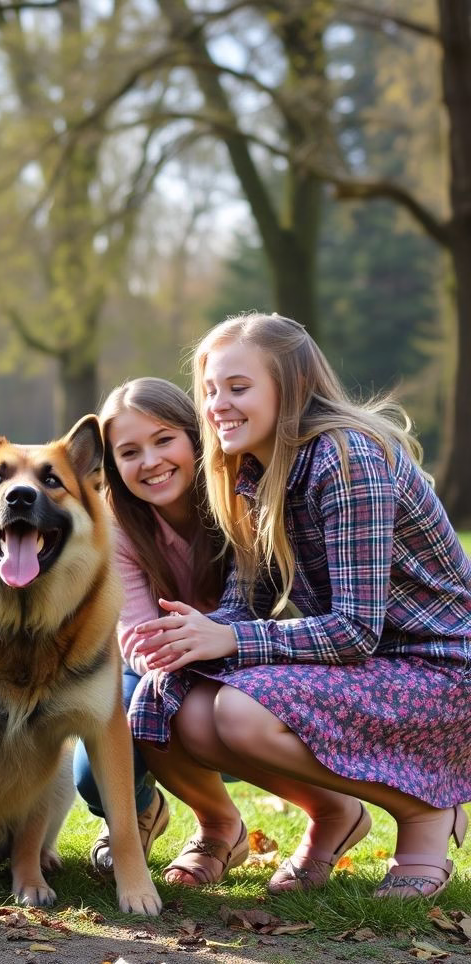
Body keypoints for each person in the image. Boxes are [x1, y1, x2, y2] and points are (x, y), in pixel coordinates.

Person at [130, 312, 471, 898]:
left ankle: (424, 812)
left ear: (291, 388)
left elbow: (356, 629)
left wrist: (231, 639)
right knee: (174, 702)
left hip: (442, 672)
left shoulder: (348, 459)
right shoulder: (254, 473)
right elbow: (246, 602)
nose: (217, 405)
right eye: (210, 390)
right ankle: (334, 813)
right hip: (371, 668)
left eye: (239, 387)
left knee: (239, 712)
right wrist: (195, 634)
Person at [73, 377, 231, 883]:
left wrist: (208, 643)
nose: (151, 461)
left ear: (195, 437)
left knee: (210, 719)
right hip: (156, 667)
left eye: (164, 440)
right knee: (92, 771)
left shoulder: (237, 501)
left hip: (243, 662)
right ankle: (141, 811)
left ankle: (220, 827)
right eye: (129, 452)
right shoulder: (116, 526)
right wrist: (177, 659)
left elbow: (259, 610)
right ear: (113, 466)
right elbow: (137, 635)